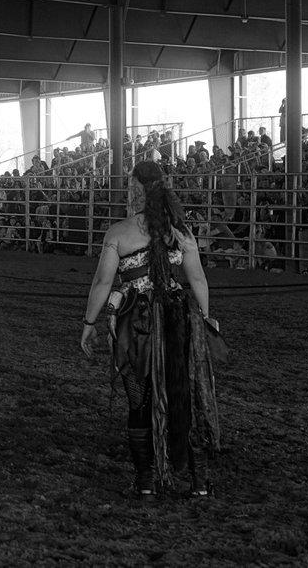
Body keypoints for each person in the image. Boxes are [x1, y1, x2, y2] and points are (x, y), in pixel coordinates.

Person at [81, 160, 221, 497]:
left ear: (134, 190)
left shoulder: (118, 233)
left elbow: (103, 281)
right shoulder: (181, 233)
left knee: (139, 401)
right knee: (186, 395)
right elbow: (197, 279)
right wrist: (204, 317)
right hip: (178, 318)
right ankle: (197, 481)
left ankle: (146, 480)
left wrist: (89, 323)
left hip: (138, 324)